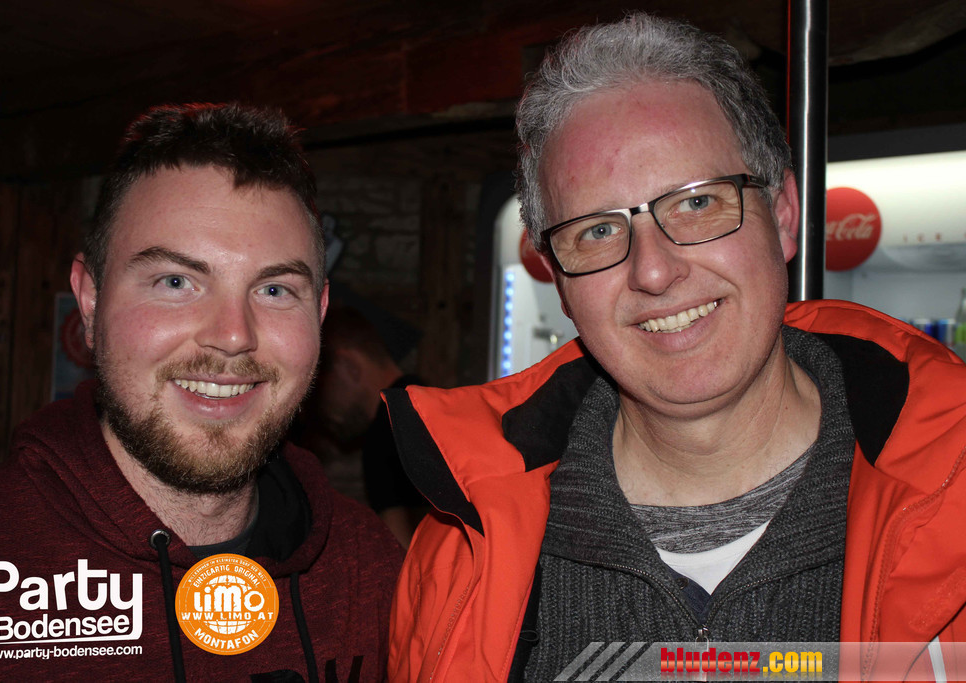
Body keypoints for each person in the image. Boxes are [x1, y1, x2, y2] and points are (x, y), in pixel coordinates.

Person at [385, 13, 966, 681]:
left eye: (696, 204)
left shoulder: (953, 500)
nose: (654, 271)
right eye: (597, 230)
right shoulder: (457, 561)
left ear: (783, 214)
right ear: (560, 282)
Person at [0, 102, 403, 681]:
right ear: (90, 302)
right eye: (177, 281)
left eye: (275, 290)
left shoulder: (375, 573)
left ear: (321, 311)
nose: (233, 336)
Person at [312, 305, 428, 547]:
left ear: (348, 366)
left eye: (319, 382)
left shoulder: (382, 434)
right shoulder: (433, 399)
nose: (316, 403)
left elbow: (400, 553)